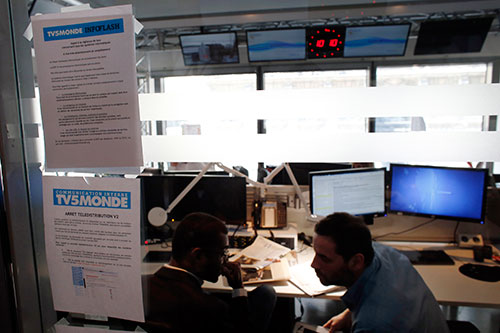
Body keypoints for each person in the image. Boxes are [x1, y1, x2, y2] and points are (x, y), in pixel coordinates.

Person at [311, 213, 449, 333]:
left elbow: (378, 316)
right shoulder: (381, 252)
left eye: (324, 258)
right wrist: (349, 313)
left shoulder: (373, 324)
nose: (314, 264)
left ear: (356, 262)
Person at [141, 212, 276, 333]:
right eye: (223, 253)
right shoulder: (212, 309)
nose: (225, 260)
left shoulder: (139, 286)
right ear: (198, 256)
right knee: (266, 293)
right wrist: (238, 290)